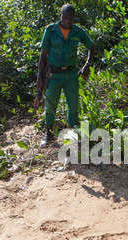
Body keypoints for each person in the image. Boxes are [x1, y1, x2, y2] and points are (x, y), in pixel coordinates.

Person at [35, 4, 95, 146]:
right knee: (50, 105)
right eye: (65, 17)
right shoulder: (51, 31)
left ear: (74, 18)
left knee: (73, 106)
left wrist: (87, 65)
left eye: (71, 18)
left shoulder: (78, 31)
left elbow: (91, 46)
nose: (68, 21)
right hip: (54, 75)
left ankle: (73, 134)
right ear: (60, 16)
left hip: (71, 75)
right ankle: (48, 134)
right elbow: (43, 55)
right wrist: (39, 78)